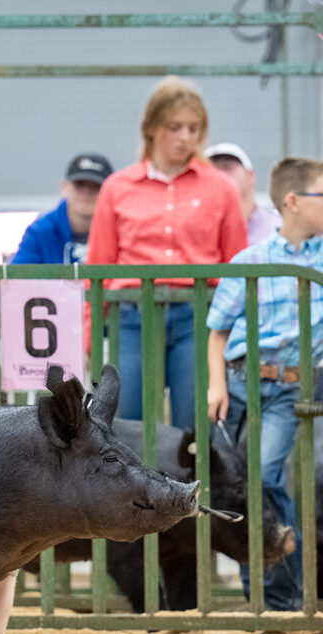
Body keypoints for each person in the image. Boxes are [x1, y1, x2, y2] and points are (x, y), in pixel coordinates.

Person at [206, 157, 323, 610]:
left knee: (264, 475)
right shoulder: (250, 260)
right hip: (239, 380)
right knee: (240, 481)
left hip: (286, 386)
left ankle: (282, 591)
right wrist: (217, 385)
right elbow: (219, 329)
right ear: (292, 201)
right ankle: (266, 591)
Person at [86, 76, 248, 430]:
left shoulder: (221, 188)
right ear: (151, 128)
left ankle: (194, 487)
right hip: (131, 315)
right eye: (175, 127)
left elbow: (237, 264)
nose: (186, 137)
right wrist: (88, 334)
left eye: (194, 128)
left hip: (199, 316)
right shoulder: (117, 187)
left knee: (195, 420)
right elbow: (99, 265)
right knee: (124, 420)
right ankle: (129, 488)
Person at [9, 153, 114, 264]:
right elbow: (17, 277)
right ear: (64, 187)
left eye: (96, 186)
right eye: (79, 184)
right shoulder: (39, 231)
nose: (87, 192)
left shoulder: (120, 231)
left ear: (110, 191)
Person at [205, 142, 282, 246]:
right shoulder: (196, 232)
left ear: (250, 176)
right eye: (211, 170)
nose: (219, 175)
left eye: (227, 167)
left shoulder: (280, 228)